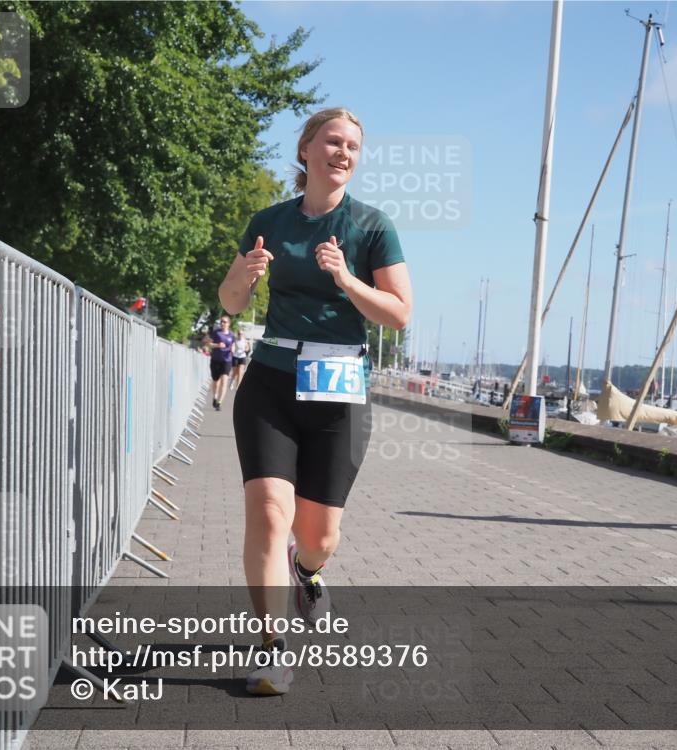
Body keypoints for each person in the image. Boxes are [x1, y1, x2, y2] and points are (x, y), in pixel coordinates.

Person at [218, 107, 412, 695]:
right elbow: (228, 302)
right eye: (332, 140)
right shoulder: (269, 221)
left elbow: (399, 315)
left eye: (353, 145)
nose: (343, 152)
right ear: (306, 150)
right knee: (270, 514)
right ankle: (272, 649)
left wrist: (348, 280)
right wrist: (248, 274)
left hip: (338, 383)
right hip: (273, 377)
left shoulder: (372, 226)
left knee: (319, 533)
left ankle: (308, 571)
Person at [209, 315, 235, 410]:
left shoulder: (232, 335)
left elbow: (233, 345)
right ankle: (215, 397)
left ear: (229, 324)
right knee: (216, 381)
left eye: (225, 322)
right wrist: (217, 345)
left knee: (224, 381)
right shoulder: (216, 333)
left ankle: (219, 402)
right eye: (221, 322)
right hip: (216, 360)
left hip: (227, 360)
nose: (222, 323)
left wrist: (233, 349)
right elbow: (209, 344)